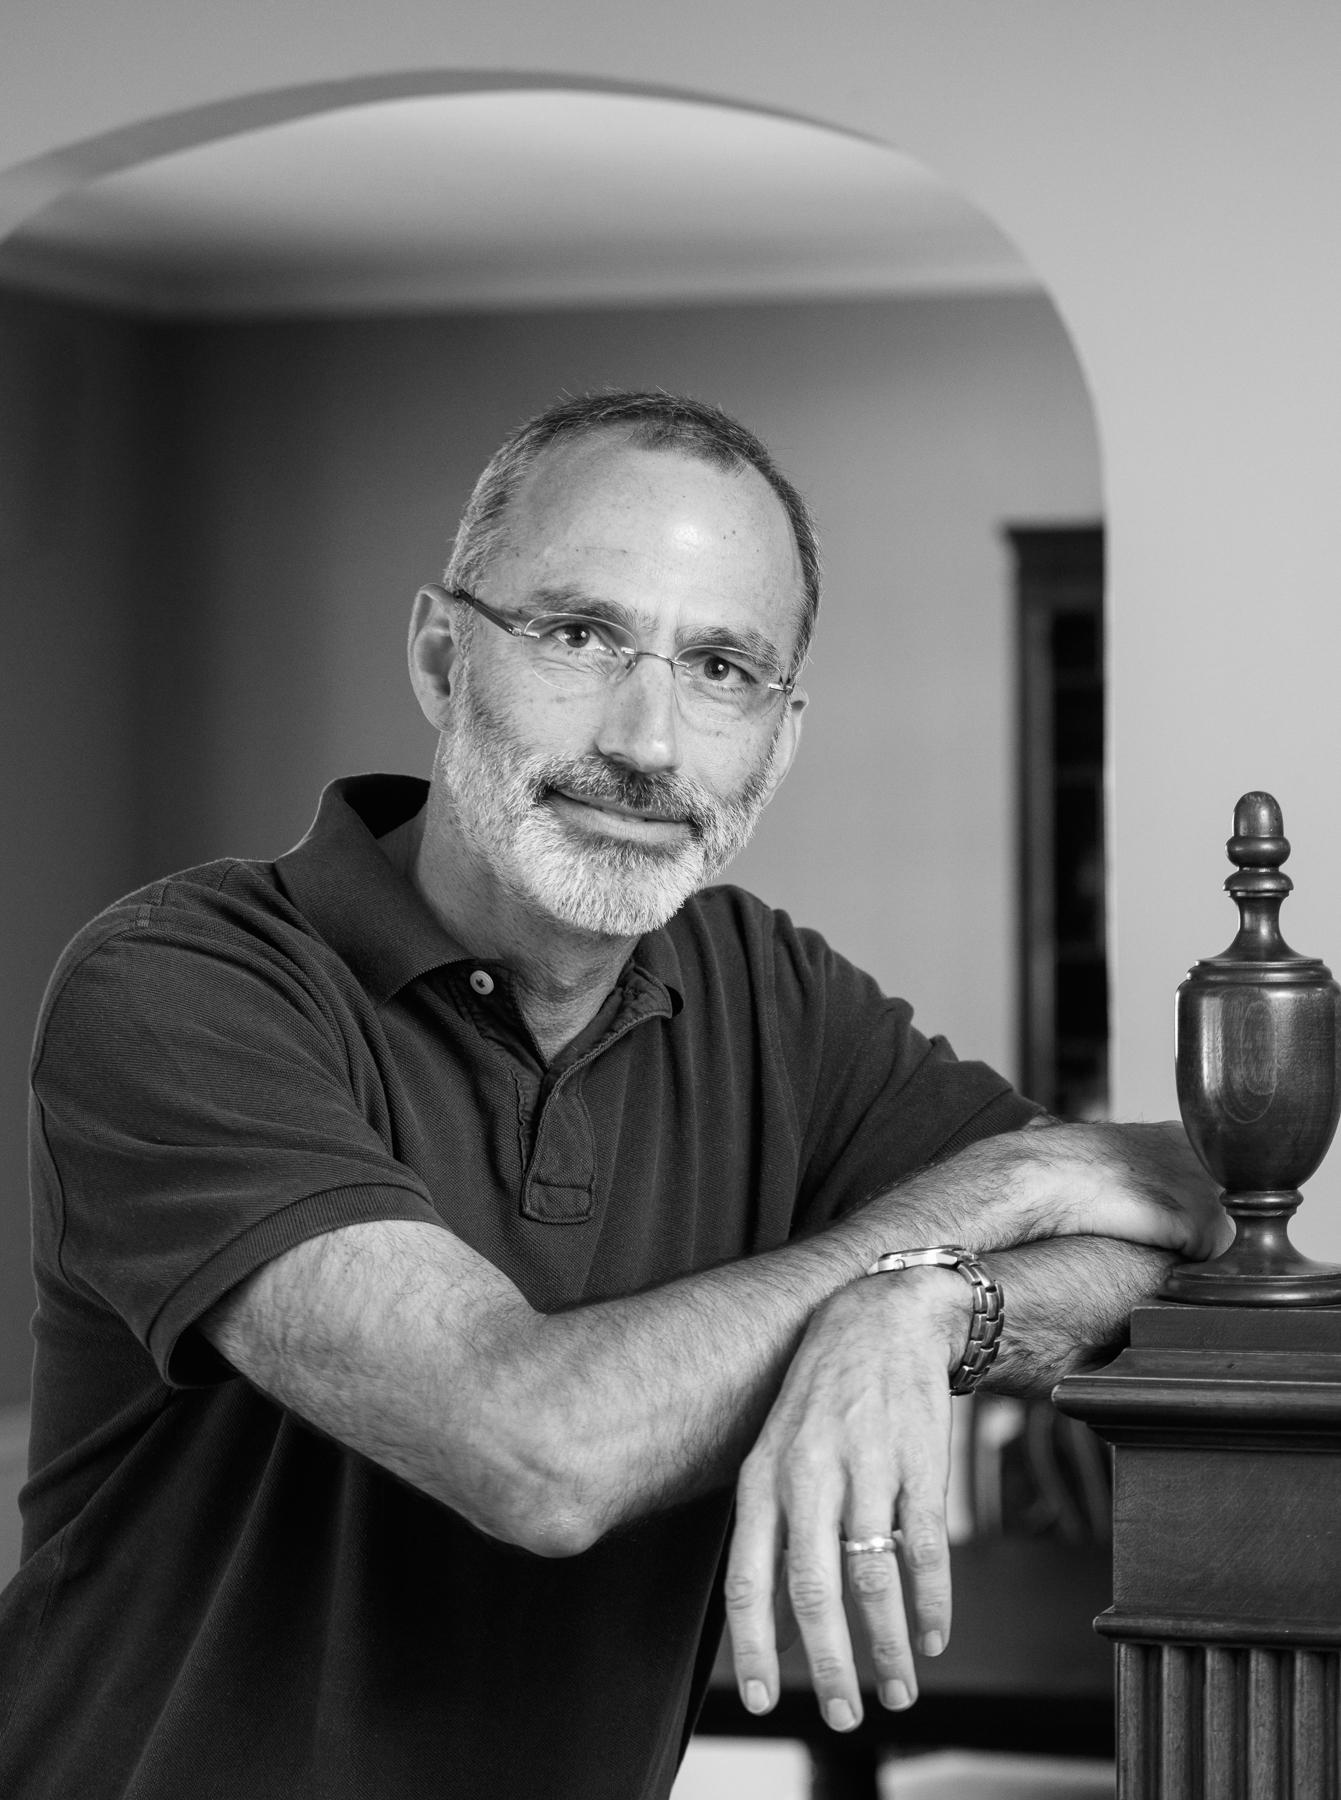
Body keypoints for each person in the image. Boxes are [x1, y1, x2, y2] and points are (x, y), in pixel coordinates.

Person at [0, 391, 1223, 1800]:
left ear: (779, 732)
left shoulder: (768, 991)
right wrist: (990, 1199)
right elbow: (530, 1448)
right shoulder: (176, 986)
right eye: (579, 637)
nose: (646, 741)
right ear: (441, 655)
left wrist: (928, 1303)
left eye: (719, 667)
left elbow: (1179, 1208)